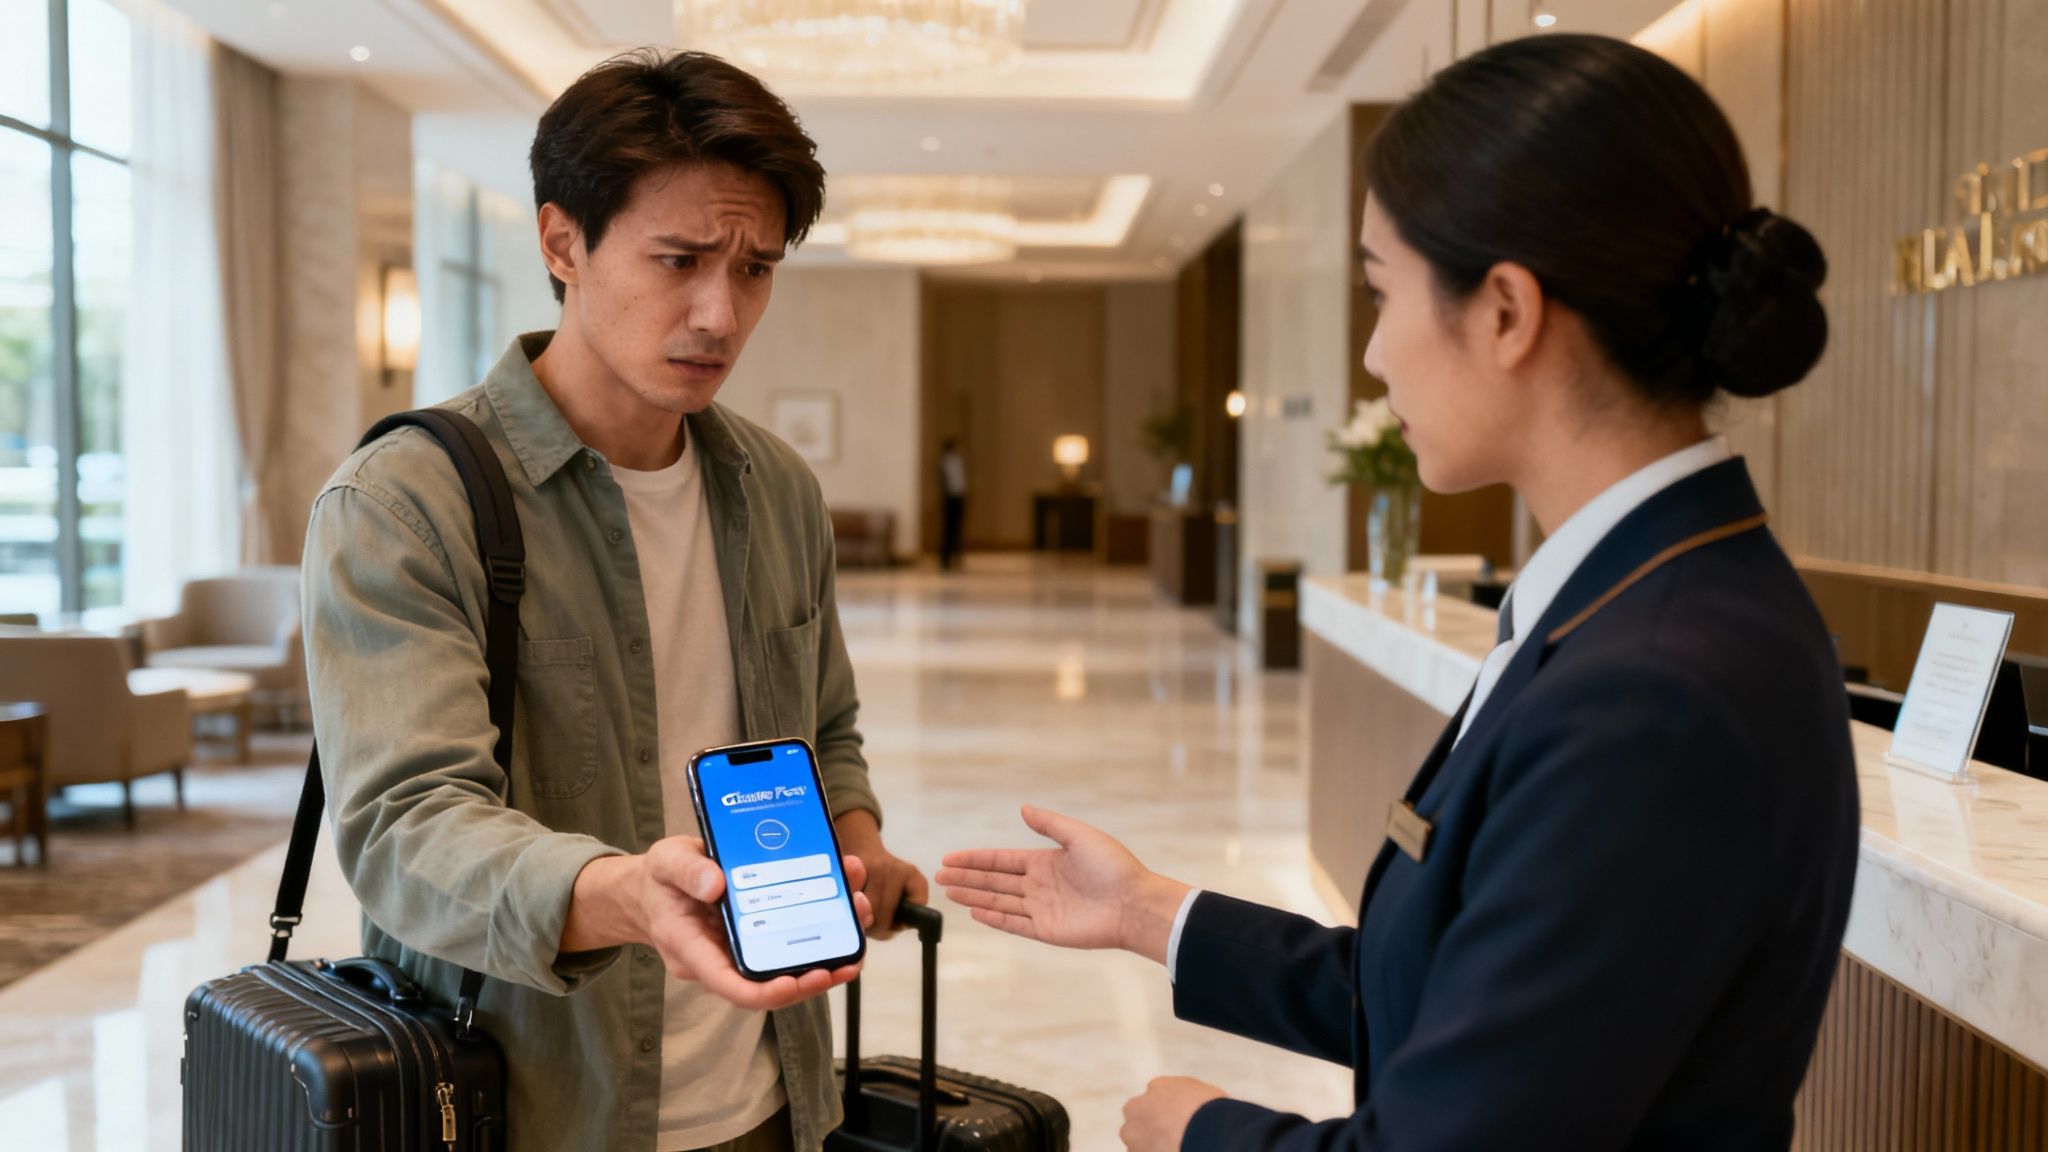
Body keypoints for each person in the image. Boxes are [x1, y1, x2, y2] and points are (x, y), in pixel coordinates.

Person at [938, 33, 1858, 1152]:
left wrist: (1204, 1133)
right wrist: (1148, 913)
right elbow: (1474, 995)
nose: (1372, 356)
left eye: (1380, 294)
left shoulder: (1657, 687)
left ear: (1506, 312)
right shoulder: (1636, 600)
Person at [303, 50, 928, 1152]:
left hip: (775, 1098)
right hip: (535, 1106)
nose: (718, 313)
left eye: (754, 269)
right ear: (561, 241)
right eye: (679, 259)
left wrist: (855, 844)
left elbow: (825, 732)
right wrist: (623, 893)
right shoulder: (407, 500)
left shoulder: (774, 488)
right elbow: (405, 829)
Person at [938, 438, 968, 570]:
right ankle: (947, 557)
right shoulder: (947, 462)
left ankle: (954, 556)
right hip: (952, 497)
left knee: (954, 528)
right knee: (951, 528)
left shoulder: (954, 461)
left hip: (956, 496)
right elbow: (944, 480)